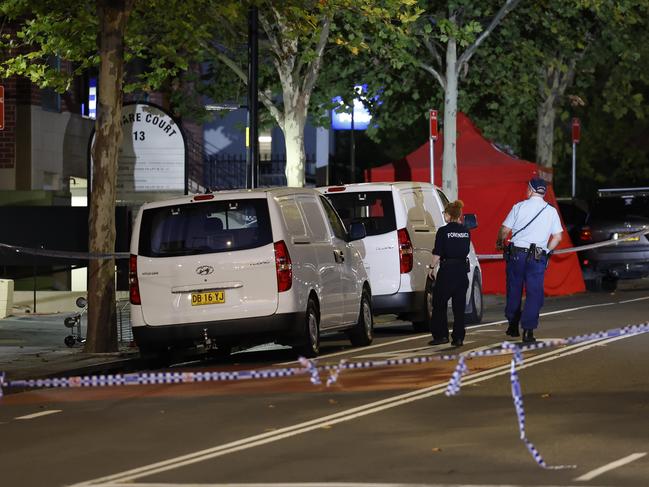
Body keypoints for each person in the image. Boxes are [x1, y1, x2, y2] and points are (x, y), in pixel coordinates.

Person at [496, 177, 563, 343]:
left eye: (527, 188)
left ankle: (512, 323)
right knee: (534, 293)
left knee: (514, 289)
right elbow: (558, 237)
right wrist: (546, 251)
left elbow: (505, 230)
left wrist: (500, 243)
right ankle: (528, 330)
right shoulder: (551, 211)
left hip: (516, 254)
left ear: (532, 190)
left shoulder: (519, 207)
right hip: (537, 256)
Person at [429, 200, 471, 347]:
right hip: (461, 271)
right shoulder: (466, 231)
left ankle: (441, 335)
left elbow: (438, 253)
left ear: (448, 214)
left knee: (439, 304)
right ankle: (458, 337)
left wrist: (431, 268)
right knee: (459, 307)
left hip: (447, 272)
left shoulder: (443, 231)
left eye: (444, 213)